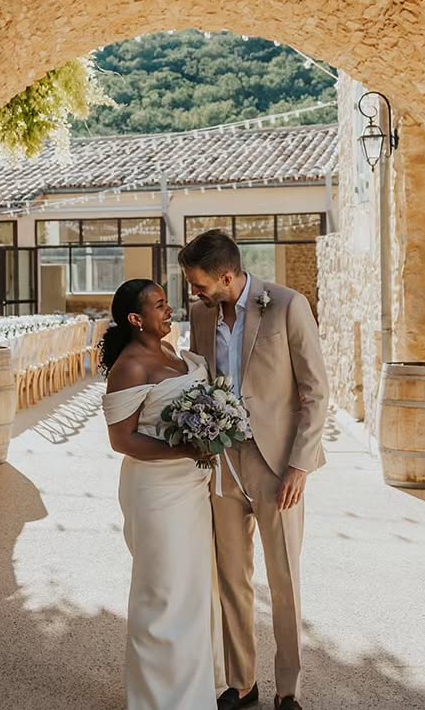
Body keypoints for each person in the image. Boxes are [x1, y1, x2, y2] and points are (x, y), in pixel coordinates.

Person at [181, 231, 328, 710]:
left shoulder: (287, 305)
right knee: (230, 577)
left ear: (227, 276)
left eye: (199, 284)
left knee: (283, 579)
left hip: (277, 467)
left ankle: (289, 691)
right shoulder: (202, 315)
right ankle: (242, 683)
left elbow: (315, 392)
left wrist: (300, 467)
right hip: (222, 463)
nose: (193, 292)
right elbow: (197, 378)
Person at [100, 278, 218, 710]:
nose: (169, 310)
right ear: (136, 319)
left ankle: (193, 697)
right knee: (162, 593)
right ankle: (155, 701)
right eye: (160, 305)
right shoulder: (130, 366)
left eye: (167, 303)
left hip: (192, 488)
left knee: (191, 589)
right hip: (156, 491)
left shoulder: (172, 352)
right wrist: (184, 448)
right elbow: (122, 441)